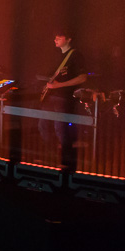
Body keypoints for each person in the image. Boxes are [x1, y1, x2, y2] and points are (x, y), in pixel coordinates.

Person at [39, 29, 87, 168]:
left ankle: (66, 162)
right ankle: (52, 156)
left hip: (64, 98)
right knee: (43, 125)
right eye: (55, 37)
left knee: (60, 128)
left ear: (69, 39)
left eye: (59, 37)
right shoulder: (57, 56)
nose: (55, 39)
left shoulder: (76, 55)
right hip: (51, 97)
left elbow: (83, 77)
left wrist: (60, 85)